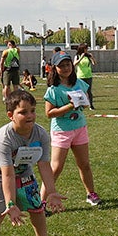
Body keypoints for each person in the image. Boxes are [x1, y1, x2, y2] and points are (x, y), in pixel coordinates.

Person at [0, 89, 66, 236]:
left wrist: (51, 191)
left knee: (36, 207)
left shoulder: (41, 134)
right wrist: (10, 203)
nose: (30, 115)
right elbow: (7, 174)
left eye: (33, 110)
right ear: (10, 115)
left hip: (24, 169)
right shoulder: (3, 138)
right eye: (23, 112)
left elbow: (44, 165)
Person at [43, 52, 101, 206]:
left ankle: (91, 194)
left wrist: (83, 102)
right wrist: (70, 106)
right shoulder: (54, 89)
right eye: (61, 65)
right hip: (62, 131)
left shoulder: (80, 83)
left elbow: (85, 101)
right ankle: (40, 201)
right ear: (55, 68)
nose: (65, 68)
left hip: (80, 128)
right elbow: (49, 113)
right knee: (56, 168)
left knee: (84, 164)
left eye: (68, 64)